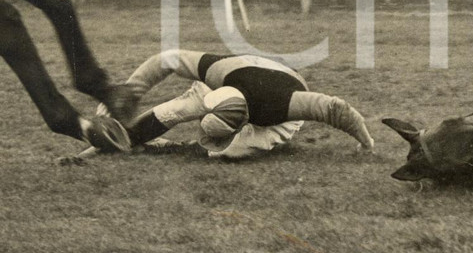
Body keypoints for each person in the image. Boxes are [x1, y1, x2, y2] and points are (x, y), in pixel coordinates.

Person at [92, 49, 374, 159]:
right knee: (178, 109)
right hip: (236, 76)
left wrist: (366, 142)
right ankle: (129, 140)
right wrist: (130, 93)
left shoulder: (283, 106)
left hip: (276, 97)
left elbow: (336, 109)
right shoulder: (218, 74)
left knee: (233, 153)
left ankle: (181, 147)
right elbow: (168, 59)